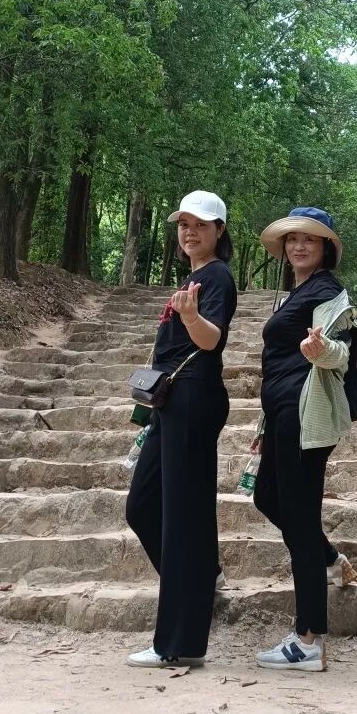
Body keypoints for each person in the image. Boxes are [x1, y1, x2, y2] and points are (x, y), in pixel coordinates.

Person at [125, 190, 238, 668]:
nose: (190, 232)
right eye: (183, 225)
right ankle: (201, 577)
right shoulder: (194, 276)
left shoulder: (217, 277)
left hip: (194, 398)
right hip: (171, 401)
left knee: (183, 519)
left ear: (218, 231)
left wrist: (191, 316)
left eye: (200, 225)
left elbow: (211, 340)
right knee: (142, 505)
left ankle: (180, 643)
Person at [252, 205, 357, 672]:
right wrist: (264, 425)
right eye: (293, 238)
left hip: (303, 418)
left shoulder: (327, 291)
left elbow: (342, 349)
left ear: (325, 249)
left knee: (298, 518)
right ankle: (330, 558)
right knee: (266, 497)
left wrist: (321, 350)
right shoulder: (295, 292)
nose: (299, 245)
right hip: (280, 416)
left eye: (310, 239)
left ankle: (309, 639)